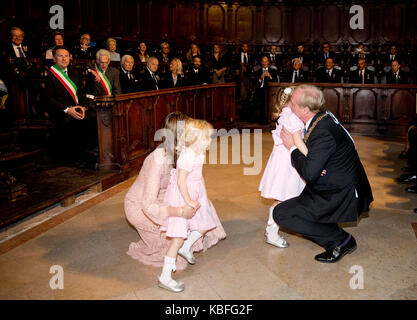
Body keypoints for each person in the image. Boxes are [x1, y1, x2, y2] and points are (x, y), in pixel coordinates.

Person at [275, 84, 373, 263]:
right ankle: (328, 226)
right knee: (297, 202)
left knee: (281, 214)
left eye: (293, 103)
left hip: (339, 194)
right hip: (336, 184)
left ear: (305, 109)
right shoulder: (323, 117)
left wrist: (292, 149)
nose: (289, 105)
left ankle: (341, 241)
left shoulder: (323, 132)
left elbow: (309, 173)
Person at [124, 113, 225, 287]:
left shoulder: (185, 151)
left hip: (169, 195)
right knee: (174, 241)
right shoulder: (157, 159)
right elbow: (148, 205)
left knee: (203, 208)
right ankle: (167, 273)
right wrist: (179, 211)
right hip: (143, 207)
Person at [158, 118, 222, 292]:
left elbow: (197, 178)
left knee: (206, 223)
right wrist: (188, 202)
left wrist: (201, 196)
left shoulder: (198, 152)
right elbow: (180, 181)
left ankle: (187, 247)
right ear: (196, 139)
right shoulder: (187, 156)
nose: (210, 141)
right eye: (207, 138)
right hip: (182, 197)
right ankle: (165, 276)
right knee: (177, 239)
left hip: (195, 194)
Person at [258, 87, 309, 248]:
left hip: (282, 159)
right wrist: (311, 157)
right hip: (288, 163)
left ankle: (287, 224)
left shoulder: (285, 114)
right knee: (282, 198)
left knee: (284, 196)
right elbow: (298, 142)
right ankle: (272, 232)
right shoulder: (293, 118)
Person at [44, 46, 95, 166]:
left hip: (77, 108)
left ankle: (87, 154)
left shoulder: (74, 72)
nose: (64, 59)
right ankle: (73, 159)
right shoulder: (50, 74)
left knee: (93, 117)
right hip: (60, 111)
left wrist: (83, 106)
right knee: (71, 122)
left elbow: (81, 92)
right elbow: (48, 99)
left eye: (66, 56)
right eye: (60, 56)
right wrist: (67, 110)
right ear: (54, 59)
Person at [253, 55, 279, 124]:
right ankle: (261, 120)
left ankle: (269, 119)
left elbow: (276, 82)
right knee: (259, 98)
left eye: (266, 61)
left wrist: (270, 76)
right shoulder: (257, 72)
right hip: (260, 91)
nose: (264, 63)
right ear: (261, 63)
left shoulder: (273, 71)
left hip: (270, 91)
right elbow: (255, 84)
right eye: (263, 62)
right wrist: (260, 78)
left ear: (268, 62)